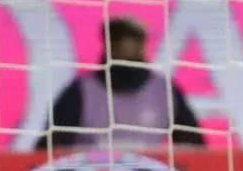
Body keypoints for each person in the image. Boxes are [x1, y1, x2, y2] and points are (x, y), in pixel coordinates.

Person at [45, 16, 205, 150]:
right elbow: (49, 149)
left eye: (132, 44)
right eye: (118, 43)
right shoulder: (80, 92)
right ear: (108, 47)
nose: (125, 49)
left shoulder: (164, 92)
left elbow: (194, 148)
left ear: (143, 47)